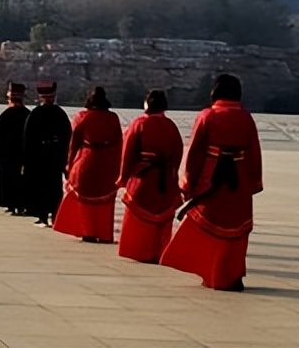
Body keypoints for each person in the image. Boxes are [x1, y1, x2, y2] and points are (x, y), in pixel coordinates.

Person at [161, 74, 262, 291]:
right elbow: (254, 152)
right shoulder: (246, 118)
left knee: (209, 228)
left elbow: (195, 152)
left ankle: (211, 272)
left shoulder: (207, 116)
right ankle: (231, 275)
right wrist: (254, 183)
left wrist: (189, 183)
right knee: (236, 231)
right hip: (239, 180)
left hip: (210, 178)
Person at [116, 89, 183, 264]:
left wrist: (124, 177)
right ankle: (160, 250)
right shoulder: (171, 126)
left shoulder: (139, 123)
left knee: (140, 218)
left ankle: (140, 251)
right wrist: (173, 174)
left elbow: (128, 152)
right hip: (165, 177)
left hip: (143, 177)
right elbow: (178, 153)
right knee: (162, 217)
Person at [53, 87, 123, 243]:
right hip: (107, 162)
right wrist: (119, 168)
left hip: (86, 159)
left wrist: (69, 165)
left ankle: (88, 231)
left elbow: (73, 145)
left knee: (86, 201)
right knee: (106, 202)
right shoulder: (113, 118)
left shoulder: (81, 117)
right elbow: (119, 144)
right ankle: (105, 233)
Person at [21, 81, 72, 227]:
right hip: (52, 157)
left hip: (43, 157)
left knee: (48, 188)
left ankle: (46, 215)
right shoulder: (60, 114)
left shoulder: (35, 114)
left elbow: (28, 139)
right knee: (50, 187)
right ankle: (51, 215)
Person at [0, 83, 31, 215]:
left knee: (9, 180)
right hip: (23, 154)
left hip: (7, 154)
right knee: (22, 180)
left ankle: (11, 204)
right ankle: (22, 205)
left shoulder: (5, 115)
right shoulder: (28, 115)